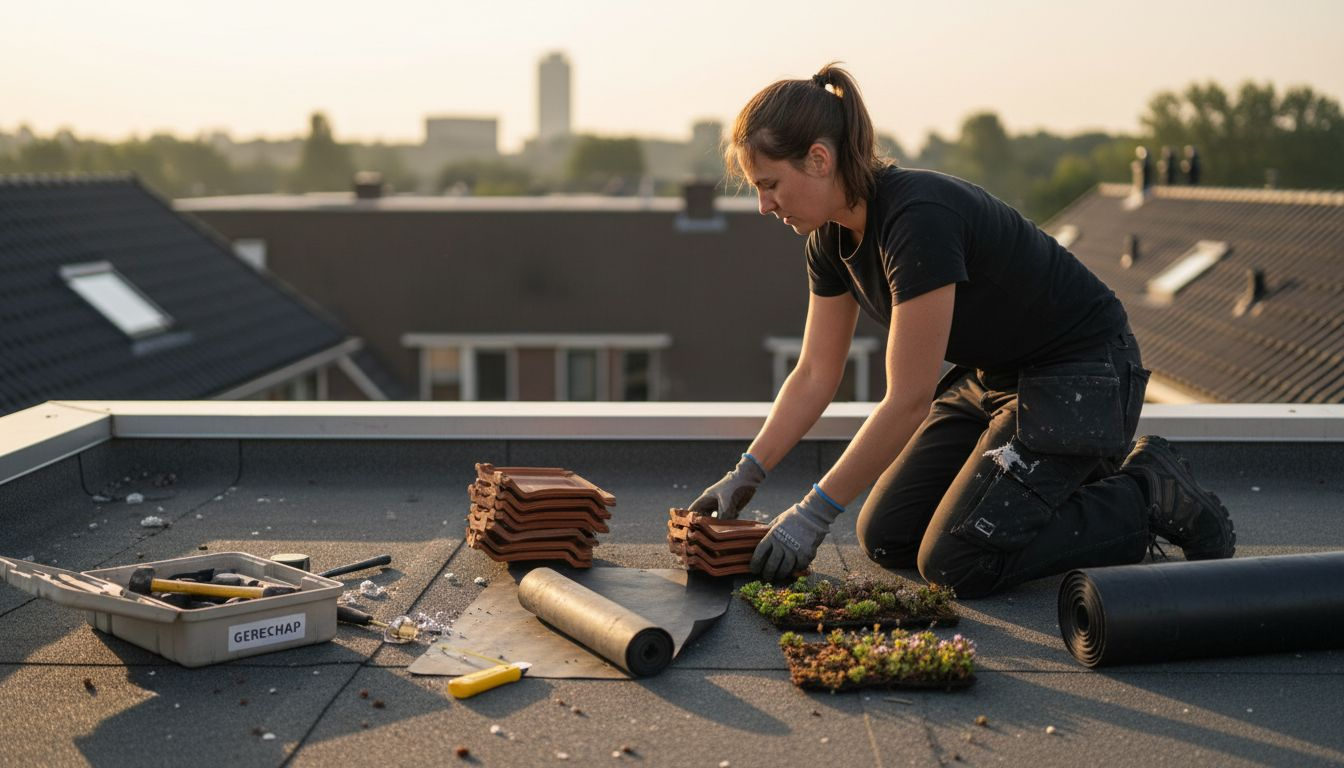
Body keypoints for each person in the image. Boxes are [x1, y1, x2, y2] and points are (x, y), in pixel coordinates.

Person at [688, 64, 1235, 598]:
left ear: (819, 159)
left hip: (1082, 375)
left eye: (770, 185)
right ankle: (1058, 480)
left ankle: (1147, 494)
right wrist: (746, 473)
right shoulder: (827, 241)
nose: (764, 205)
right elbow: (813, 374)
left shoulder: (917, 218)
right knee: (886, 536)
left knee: (956, 563)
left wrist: (811, 514)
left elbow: (906, 400)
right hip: (994, 378)